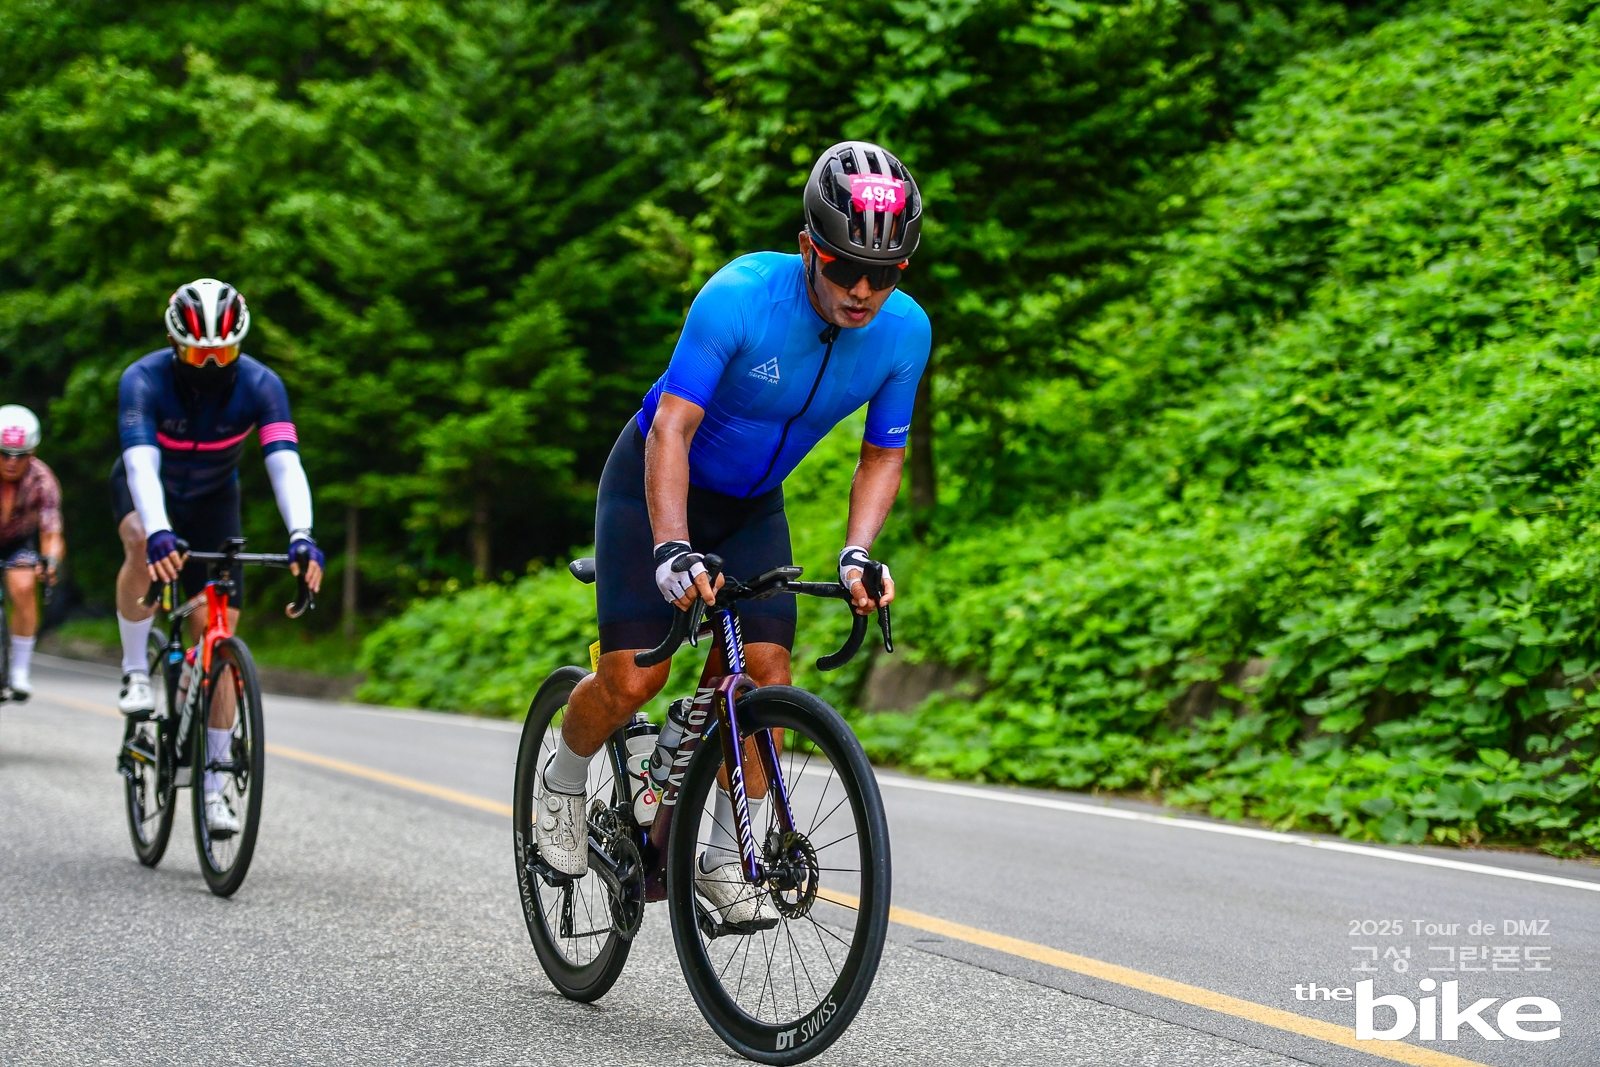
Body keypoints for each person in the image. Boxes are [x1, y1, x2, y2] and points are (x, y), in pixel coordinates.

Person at [536, 141, 930, 925]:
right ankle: (563, 778)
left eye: (882, 273)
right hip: (653, 479)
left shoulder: (905, 332)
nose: (862, 290)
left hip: (752, 504)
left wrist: (857, 551)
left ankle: (722, 857)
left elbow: (882, 455)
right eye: (844, 267)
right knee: (634, 681)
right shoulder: (739, 297)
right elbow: (672, 429)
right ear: (808, 247)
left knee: (762, 674)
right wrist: (670, 547)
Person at [112, 278, 325, 835]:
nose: (210, 366)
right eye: (198, 354)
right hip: (150, 492)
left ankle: (214, 788)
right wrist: (159, 530)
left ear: (240, 346)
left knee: (218, 637)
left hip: (213, 500)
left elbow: (284, 462)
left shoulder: (262, 384)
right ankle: (135, 672)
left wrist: (301, 535)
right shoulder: (142, 379)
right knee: (137, 537)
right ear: (173, 343)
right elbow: (140, 465)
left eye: (223, 354)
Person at [0, 405, 64, 699]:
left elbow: (51, 532)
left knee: (24, 586)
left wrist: (50, 561)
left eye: (20, 455)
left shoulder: (42, 480)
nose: (11, 462)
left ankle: (20, 669)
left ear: (33, 452)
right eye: (4, 454)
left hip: (18, 542)